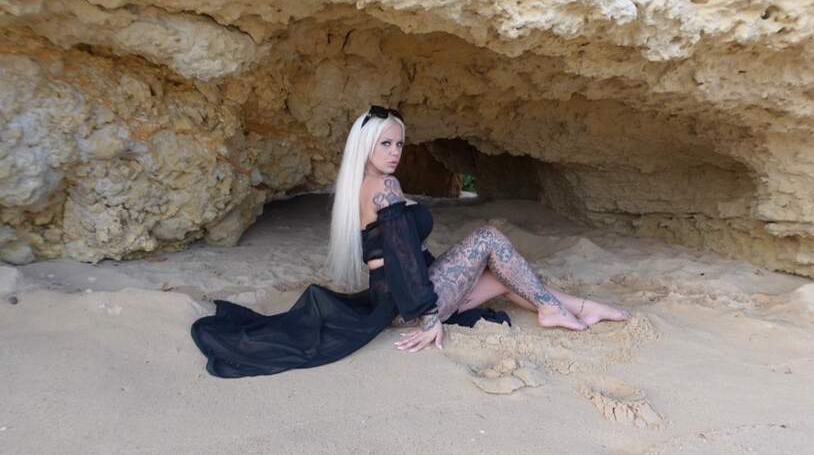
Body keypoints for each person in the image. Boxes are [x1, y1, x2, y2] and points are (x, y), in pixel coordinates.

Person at [190, 105, 629, 377]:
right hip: (409, 302)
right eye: (385, 143)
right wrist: (429, 317)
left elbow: (397, 254)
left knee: (502, 275)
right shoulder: (385, 187)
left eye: (400, 144)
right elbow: (401, 258)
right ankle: (554, 308)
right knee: (490, 238)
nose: (395, 152)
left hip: (392, 300)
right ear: (366, 145)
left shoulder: (363, 186)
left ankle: (581, 307)